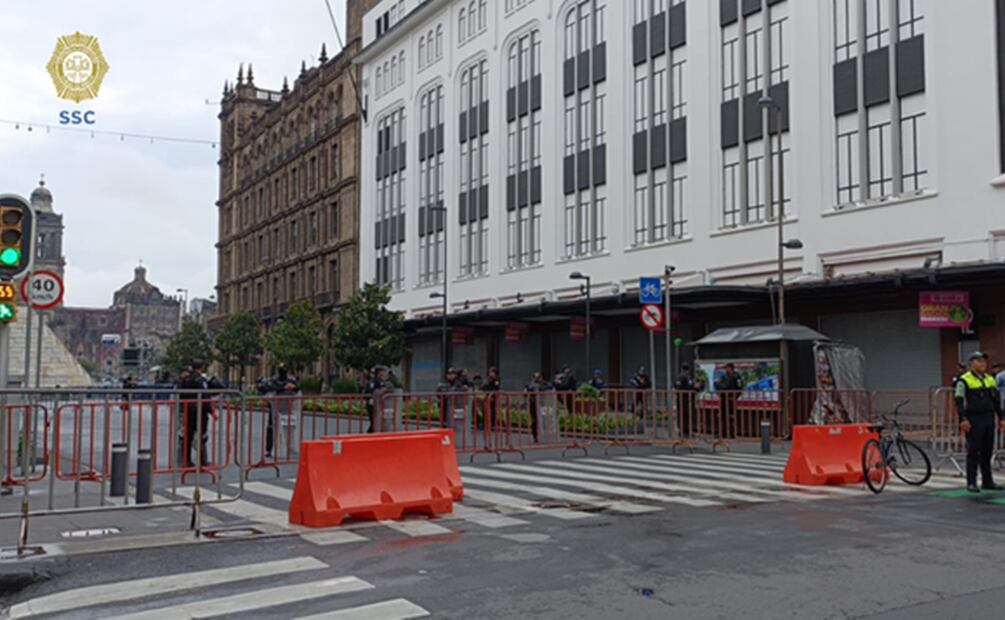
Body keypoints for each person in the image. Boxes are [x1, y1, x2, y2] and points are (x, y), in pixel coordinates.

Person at [954, 351, 1005, 493]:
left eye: (984, 361)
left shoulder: (990, 379)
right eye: (979, 361)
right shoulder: (964, 380)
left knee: (987, 450)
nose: (983, 364)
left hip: (988, 418)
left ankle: (987, 481)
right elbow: (959, 400)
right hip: (974, 418)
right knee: (973, 451)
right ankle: (971, 482)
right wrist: (963, 419)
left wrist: (1002, 418)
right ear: (972, 363)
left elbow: (996, 401)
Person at [177, 359, 224, 468]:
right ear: (201, 367)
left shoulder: (186, 379)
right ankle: (203, 461)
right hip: (200, 410)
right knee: (202, 435)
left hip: (188, 409)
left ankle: (186, 460)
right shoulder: (200, 380)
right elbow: (205, 396)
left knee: (188, 435)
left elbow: (181, 394)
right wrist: (212, 411)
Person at [715, 363, 743, 439]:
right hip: (724, 399)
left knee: (731, 417)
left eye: (727, 368)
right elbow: (718, 385)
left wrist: (735, 397)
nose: (726, 369)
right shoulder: (723, 376)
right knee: (723, 416)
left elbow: (740, 387)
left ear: (731, 368)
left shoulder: (737, 376)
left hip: (731, 399)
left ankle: (732, 433)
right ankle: (723, 433)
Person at [675, 364, 701, 437]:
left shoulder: (685, 377)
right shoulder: (683, 377)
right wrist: (694, 387)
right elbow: (681, 387)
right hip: (684, 399)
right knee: (684, 415)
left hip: (686, 399)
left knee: (686, 415)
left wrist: (695, 387)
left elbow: (678, 386)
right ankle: (684, 431)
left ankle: (685, 431)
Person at [525, 371, 552, 442]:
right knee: (535, 420)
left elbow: (550, 386)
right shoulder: (530, 385)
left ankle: (542, 435)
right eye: (536, 377)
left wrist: (543, 384)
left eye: (539, 377)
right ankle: (535, 436)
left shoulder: (543, 384)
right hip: (533, 404)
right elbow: (526, 393)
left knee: (543, 420)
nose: (537, 379)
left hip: (542, 404)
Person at [363, 366, 390, 433]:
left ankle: (371, 434)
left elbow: (388, 388)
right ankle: (369, 434)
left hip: (379, 404)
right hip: (372, 403)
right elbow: (370, 391)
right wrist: (381, 390)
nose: (384, 373)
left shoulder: (382, 381)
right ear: (379, 372)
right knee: (374, 421)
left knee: (376, 422)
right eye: (382, 371)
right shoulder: (373, 381)